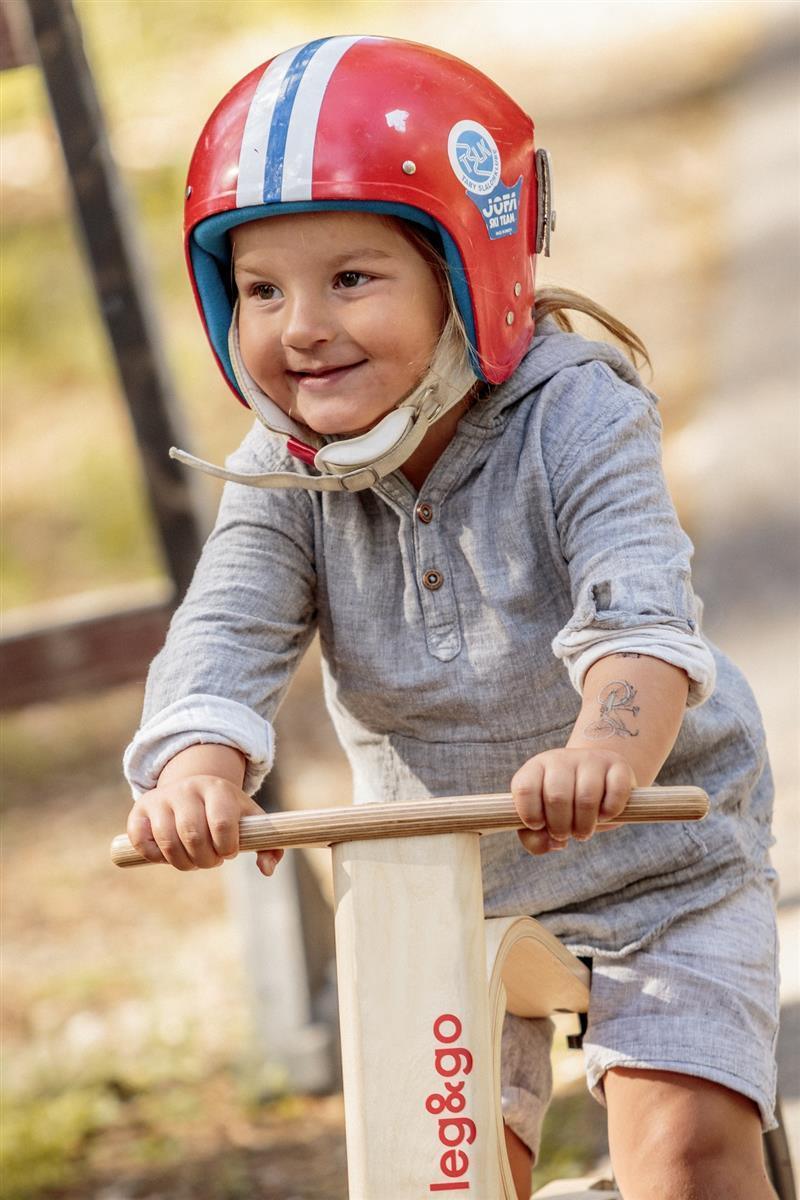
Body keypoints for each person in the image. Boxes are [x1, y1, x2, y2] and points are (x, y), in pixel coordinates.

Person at [123, 35, 780, 1199]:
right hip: (440, 882)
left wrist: (602, 752)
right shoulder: (284, 471)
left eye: (351, 279)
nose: (301, 328)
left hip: (655, 860)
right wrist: (196, 765)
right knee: (442, 1172)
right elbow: (225, 632)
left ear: (467, 268)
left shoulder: (576, 412)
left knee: (682, 1159)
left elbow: (638, 608)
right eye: (262, 289)